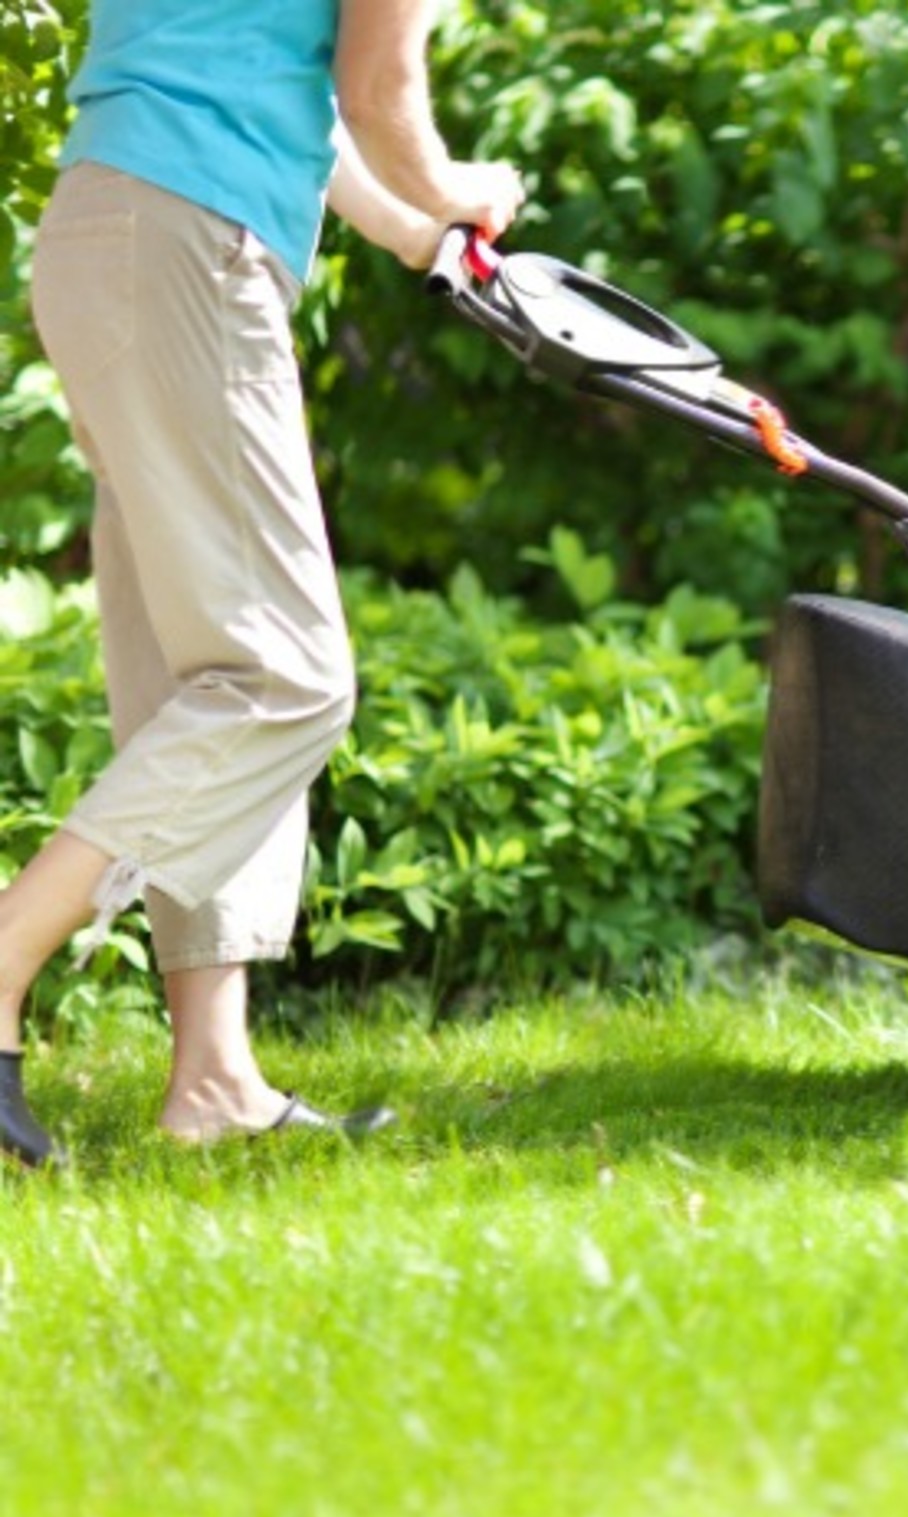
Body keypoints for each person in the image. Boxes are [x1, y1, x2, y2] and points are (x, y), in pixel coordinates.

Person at [3, 0, 525, 1166]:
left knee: (203, 672)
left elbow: (275, 82)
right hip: (192, 243)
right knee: (281, 679)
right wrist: (457, 188)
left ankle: (215, 1079)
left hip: (113, 229)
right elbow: (383, 95)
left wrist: (407, 232)